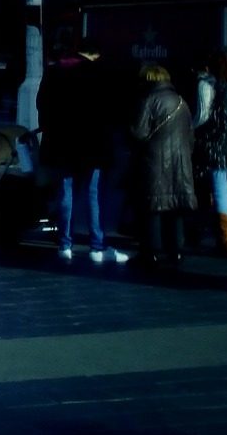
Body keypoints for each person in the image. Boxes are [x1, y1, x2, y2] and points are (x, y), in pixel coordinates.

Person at [36, 39, 128, 263]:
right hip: (92, 146)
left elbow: (42, 106)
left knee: (66, 192)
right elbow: (111, 110)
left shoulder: (53, 72)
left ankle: (64, 244)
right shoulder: (99, 73)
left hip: (62, 145)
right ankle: (97, 246)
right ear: (94, 55)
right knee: (93, 194)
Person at [130, 63, 197, 268]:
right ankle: (176, 251)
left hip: (155, 162)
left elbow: (139, 133)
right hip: (180, 163)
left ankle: (152, 252)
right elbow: (191, 136)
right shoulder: (180, 101)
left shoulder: (149, 101)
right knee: (175, 206)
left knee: (154, 207)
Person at [194, 51, 227, 259]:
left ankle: (225, 244)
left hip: (216, 147)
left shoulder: (209, 86)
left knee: (220, 193)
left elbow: (202, 116)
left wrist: (191, 129)